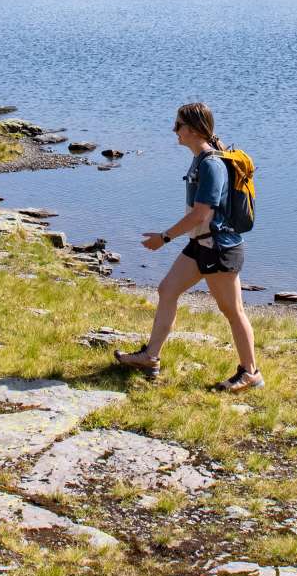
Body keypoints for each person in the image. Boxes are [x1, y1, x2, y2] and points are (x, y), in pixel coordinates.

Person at [112, 101, 261, 392]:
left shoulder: (211, 164)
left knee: (232, 311)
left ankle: (250, 372)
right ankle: (150, 357)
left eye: (178, 125)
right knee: (167, 290)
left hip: (218, 247)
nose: (174, 130)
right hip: (200, 244)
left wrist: (164, 238)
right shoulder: (199, 160)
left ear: (192, 130)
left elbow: (201, 214)